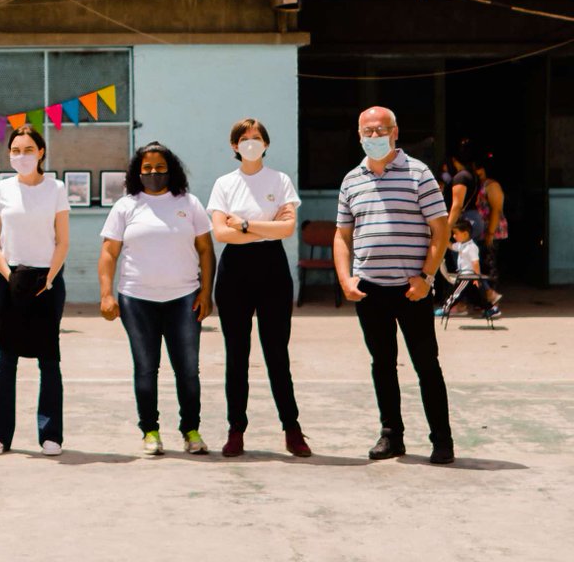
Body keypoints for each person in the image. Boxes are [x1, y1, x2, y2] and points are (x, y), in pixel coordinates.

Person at [334, 105, 455, 465]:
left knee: (426, 364)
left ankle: (442, 439)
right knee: (382, 363)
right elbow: (342, 236)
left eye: (380, 130)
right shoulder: (351, 180)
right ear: (358, 135)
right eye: (367, 131)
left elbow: (441, 230)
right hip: (369, 289)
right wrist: (345, 278)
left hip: (411, 289)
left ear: (395, 132)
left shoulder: (419, 174)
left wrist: (427, 277)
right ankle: (392, 436)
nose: (374, 136)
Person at [100, 141, 214, 456]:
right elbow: (109, 252)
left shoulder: (189, 203)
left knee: (188, 369)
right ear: (138, 172)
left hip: (184, 298)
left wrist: (206, 292)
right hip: (137, 300)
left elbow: (206, 250)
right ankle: (150, 430)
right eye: (147, 168)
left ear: (171, 170)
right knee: (146, 368)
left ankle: (191, 429)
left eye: (160, 168)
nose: (153, 173)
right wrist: (107, 293)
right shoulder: (125, 206)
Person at [207, 118, 311, 458]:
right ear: (234, 146)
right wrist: (266, 226)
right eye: (244, 138)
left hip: (272, 270)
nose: (251, 143)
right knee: (236, 356)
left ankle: (292, 429)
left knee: (276, 354)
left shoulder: (280, 180)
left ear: (266, 143)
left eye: (257, 137)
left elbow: (287, 229)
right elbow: (221, 234)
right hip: (235, 271)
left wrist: (247, 224)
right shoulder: (224, 184)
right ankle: (236, 428)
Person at [0, 125, 69, 456]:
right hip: (9, 278)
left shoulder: (56, 188)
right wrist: (8, 276)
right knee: (6, 360)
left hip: (46, 279)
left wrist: (49, 278)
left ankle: (51, 435)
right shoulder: (1, 189)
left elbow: (62, 239)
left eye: (28, 149)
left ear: (41, 152)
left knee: (49, 359)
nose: (22, 156)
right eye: (16, 151)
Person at [439, 218, 498, 320]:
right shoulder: (461, 245)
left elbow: (475, 263)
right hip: (465, 275)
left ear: (465, 234)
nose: (454, 236)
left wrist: (476, 277)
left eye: (456, 234)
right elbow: (451, 246)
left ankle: (445, 308)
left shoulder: (471, 247)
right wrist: (443, 238)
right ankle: (491, 308)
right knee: (475, 296)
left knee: (455, 292)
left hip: (468, 275)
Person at [472, 152, 508, 305]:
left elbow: (496, 210)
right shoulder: (480, 184)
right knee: (484, 265)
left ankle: (492, 301)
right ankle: (485, 299)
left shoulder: (492, 185)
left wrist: (490, 233)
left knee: (489, 265)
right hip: (483, 231)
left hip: (492, 232)